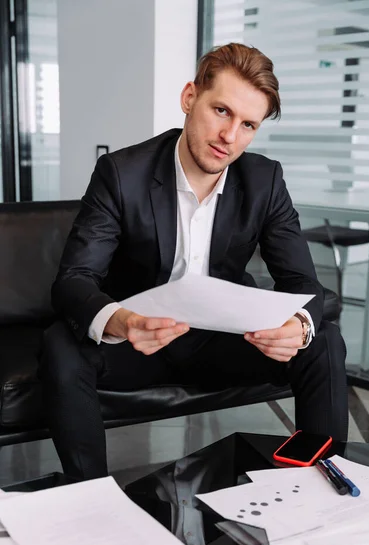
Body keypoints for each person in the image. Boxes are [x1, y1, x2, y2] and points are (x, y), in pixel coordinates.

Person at [40, 43, 348, 481]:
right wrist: (122, 321)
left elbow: (304, 283)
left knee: (322, 339)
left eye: (247, 125)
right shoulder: (121, 173)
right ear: (189, 98)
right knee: (61, 344)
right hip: (141, 341)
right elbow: (73, 280)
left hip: (224, 340)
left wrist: (297, 326)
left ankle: (325, 482)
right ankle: (91, 496)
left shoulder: (265, 181)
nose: (230, 137)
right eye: (221, 111)